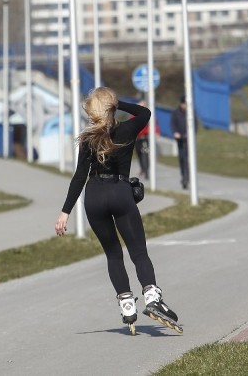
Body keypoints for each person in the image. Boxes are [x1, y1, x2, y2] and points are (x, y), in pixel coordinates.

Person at [54, 87, 180, 333]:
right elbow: (145, 113)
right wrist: (118, 104)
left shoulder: (88, 139)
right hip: (120, 192)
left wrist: (65, 212)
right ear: (111, 108)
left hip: (94, 197)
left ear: (93, 112)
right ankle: (152, 298)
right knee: (138, 253)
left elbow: (79, 177)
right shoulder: (126, 130)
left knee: (113, 254)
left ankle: (127, 306)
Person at [134, 100, 159, 180]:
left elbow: (154, 124)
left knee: (145, 153)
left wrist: (156, 132)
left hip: (145, 138)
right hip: (137, 138)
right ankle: (142, 168)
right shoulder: (134, 115)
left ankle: (146, 171)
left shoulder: (149, 115)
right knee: (139, 154)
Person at [170, 96, 189, 189]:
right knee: (182, 158)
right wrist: (176, 133)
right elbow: (173, 124)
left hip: (189, 140)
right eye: (184, 104)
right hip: (180, 140)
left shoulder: (190, 112)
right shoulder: (176, 113)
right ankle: (183, 175)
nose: (185, 106)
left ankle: (187, 177)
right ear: (181, 104)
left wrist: (191, 134)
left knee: (188, 159)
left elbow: (195, 124)